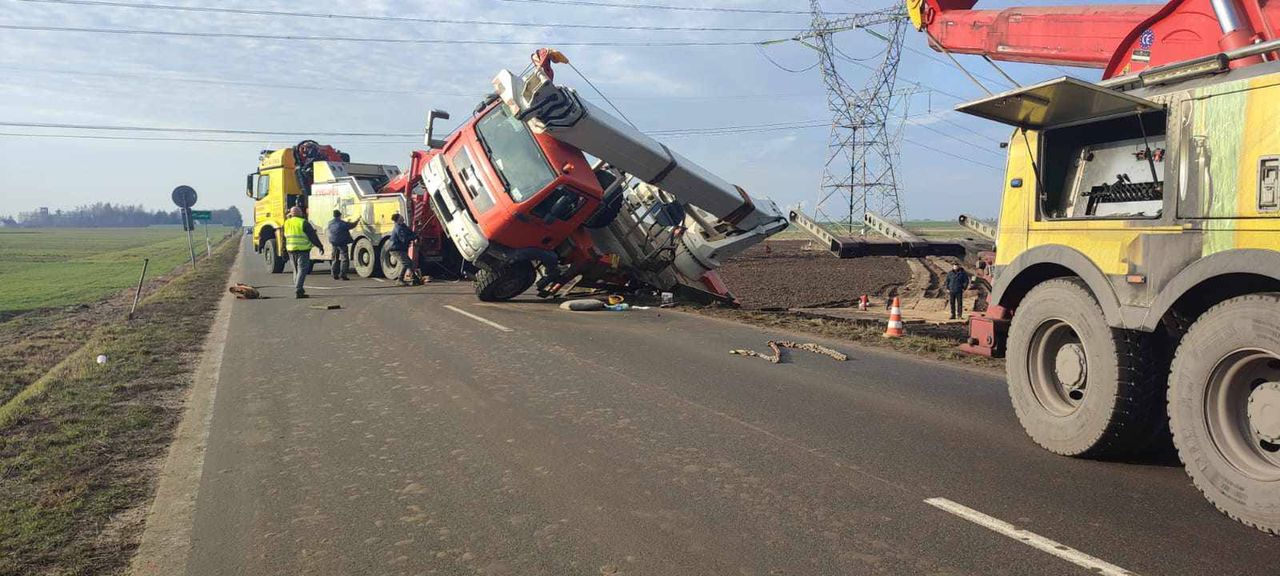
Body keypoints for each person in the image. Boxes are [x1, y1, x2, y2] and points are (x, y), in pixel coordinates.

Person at [283, 206, 323, 298]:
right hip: (302, 249)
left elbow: (283, 237)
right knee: (302, 270)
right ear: (300, 213)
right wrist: (320, 246)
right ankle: (298, 289)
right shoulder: (303, 223)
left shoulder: (287, 223)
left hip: (291, 249)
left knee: (296, 270)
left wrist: (284, 250)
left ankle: (299, 289)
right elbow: (313, 237)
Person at [326, 209, 360, 280]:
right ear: (339, 216)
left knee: (335, 258)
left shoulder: (330, 223)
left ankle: (334, 274)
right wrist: (357, 220)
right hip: (342, 243)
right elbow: (352, 225)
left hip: (334, 243)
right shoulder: (342, 223)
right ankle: (343, 275)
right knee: (344, 259)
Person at [387, 213, 420, 286]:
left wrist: (416, 236)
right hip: (396, 249)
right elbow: (404, 239)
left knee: (409, 263)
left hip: (401, 249)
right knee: (406, 263)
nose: (402, 217)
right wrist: (414, 237)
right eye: (400, 216)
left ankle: (415, 278)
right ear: (398, 219)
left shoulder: (403, 226)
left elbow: (410, 233)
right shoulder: (398, 228)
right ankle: (400, 280)